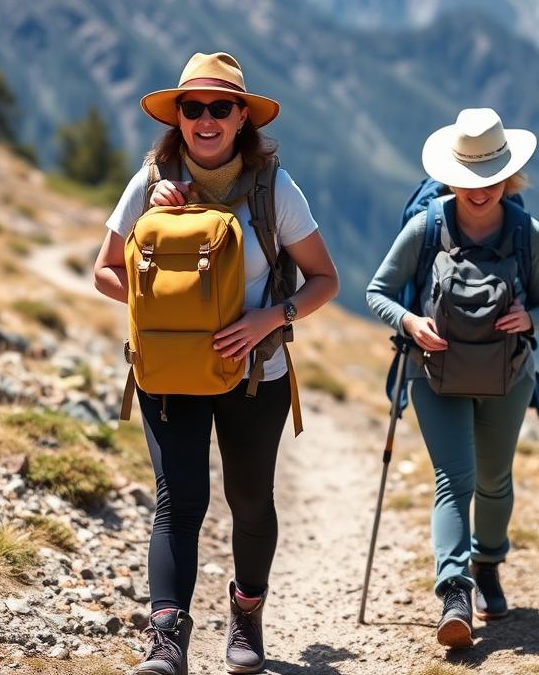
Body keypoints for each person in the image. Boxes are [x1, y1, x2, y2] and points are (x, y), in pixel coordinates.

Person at [92, 52, 338, 675]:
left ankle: (246, 612)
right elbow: (106, 271)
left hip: (255, 372)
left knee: (249, 500)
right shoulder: (150, 183)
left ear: (241, 118)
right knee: (179, 501)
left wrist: (270, 318)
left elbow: (324, 279)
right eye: (193, 108)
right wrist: (161, 299)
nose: (206, 119)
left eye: (220, 107)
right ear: (177, 117)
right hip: (170, 373)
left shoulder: (274, 188)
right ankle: (167, 637)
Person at [366, 108, 539, 648]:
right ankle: (455, 592)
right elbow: (378, 292)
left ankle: (487, 565)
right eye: (470, 178)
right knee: (455, 479)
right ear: (451, 177)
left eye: (491, 178)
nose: (480, 190)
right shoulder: (426, 228)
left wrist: (529, 319)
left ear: (509, 176)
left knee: (494, 480)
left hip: (509, 375)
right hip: (434, 374)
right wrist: (410, 323)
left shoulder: (528, 234)